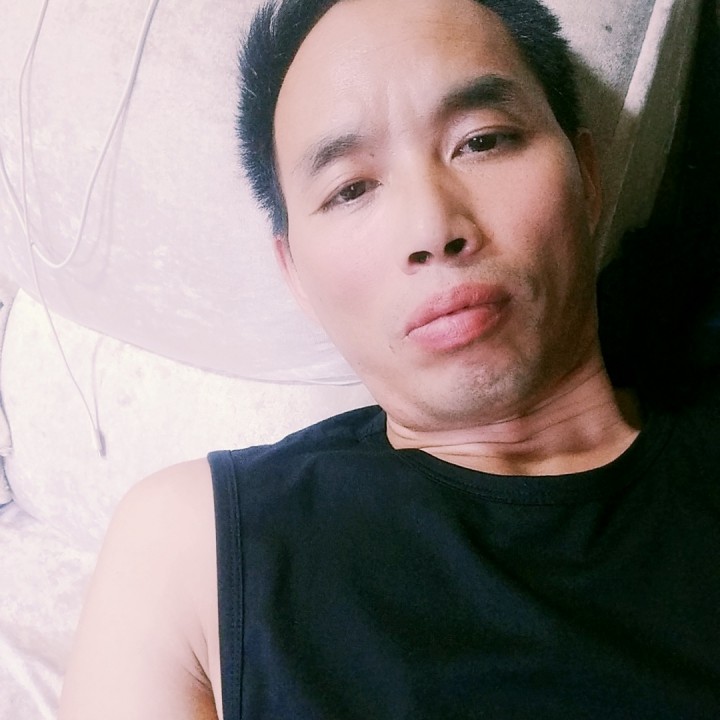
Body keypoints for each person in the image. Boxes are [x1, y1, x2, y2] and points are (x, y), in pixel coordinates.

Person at [59, 0, 720, 718]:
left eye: (482, 141)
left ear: (587, 177)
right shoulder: (195, 544)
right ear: (295, 276)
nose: (433, 228)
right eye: (351, 188)